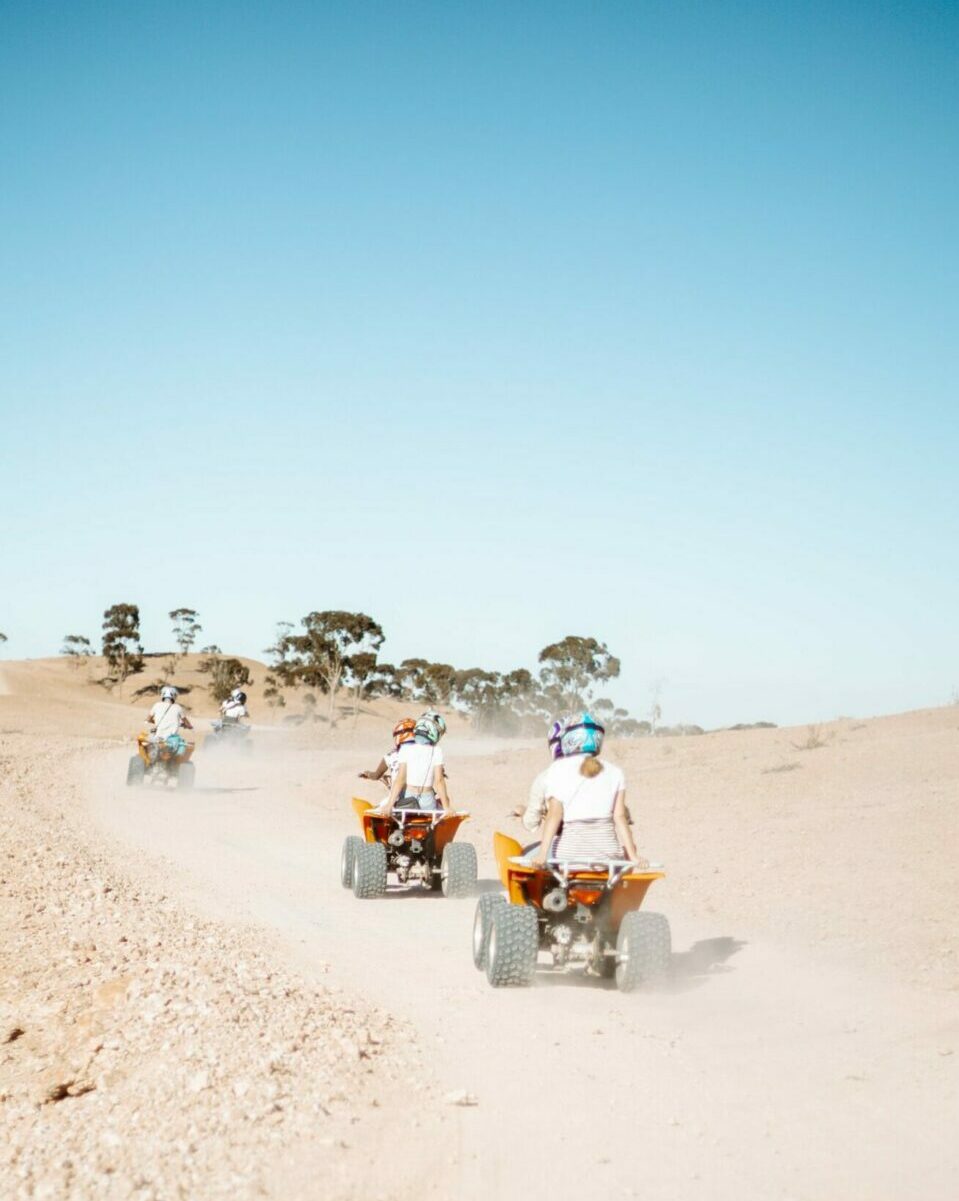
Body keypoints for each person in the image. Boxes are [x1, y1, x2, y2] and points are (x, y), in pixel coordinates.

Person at [528, 712, 644, 867]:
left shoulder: (557, 769)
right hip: (608, 857)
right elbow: (620, 817)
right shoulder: (616, 772)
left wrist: (542, 854)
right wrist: (634, 856)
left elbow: (554, 815)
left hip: (569, 855)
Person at [376, 714, 451, 816]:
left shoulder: (405, 749)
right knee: (438, 820)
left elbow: (400, 780)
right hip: (427, 800)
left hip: (407, 797)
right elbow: (439, 781)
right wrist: (447, 808)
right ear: (434, 732)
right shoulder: (437, 751)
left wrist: (389, 805)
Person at [513, 719, 564, 833]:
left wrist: (524, 813)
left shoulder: (545, 778)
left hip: (566, 845)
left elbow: (530, 823)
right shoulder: (605, 775)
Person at [359, 718, 417, 789]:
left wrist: (368, 774)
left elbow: (376, 776)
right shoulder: (425, 753)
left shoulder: (391, 756)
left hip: (397, 796)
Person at [145, 685, 193, 762]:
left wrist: (155, 722)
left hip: (158, 737)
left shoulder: (156, 705)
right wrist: (189, 726)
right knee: (185, 745)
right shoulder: (178, 708)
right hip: (171, 740)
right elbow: (187, 723)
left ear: (162, 695)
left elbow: (148, 719)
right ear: (174, 696)